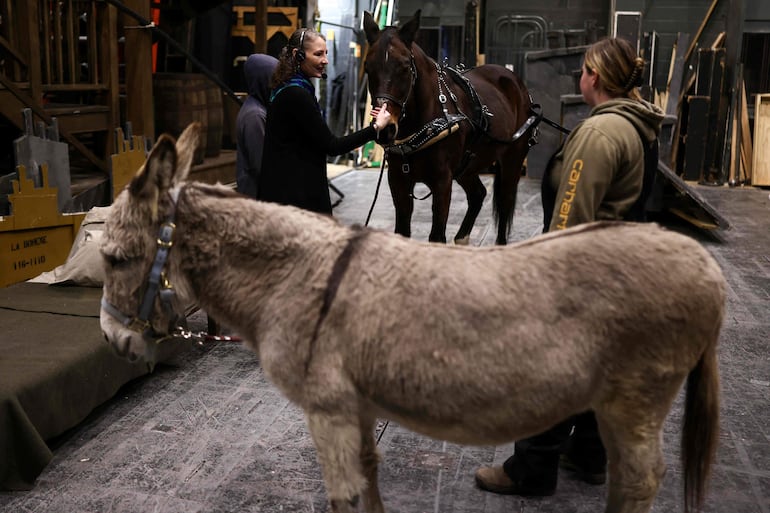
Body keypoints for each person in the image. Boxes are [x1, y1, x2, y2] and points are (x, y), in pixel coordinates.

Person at [475, 37, 665, 497]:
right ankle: (588, 455)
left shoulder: (599, 134)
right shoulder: (638, 123)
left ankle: (531, 470)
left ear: (594, 77)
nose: (580, 76)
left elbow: (570, 218)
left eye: (583, 69)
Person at [258, 28, 393, 215]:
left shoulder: (289, 87)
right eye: (318, 54)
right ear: (298, 55)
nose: (325, 60)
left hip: (289, 195)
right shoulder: (296, 94)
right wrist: (375, 127)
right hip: (295, 201)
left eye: (326, 53)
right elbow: (332, 146)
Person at [235, 53, 279, 198]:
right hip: (256, 198)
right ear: (262, 80)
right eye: (274, 80)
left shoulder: (260, 108)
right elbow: (262, 164)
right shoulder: (255, 115)